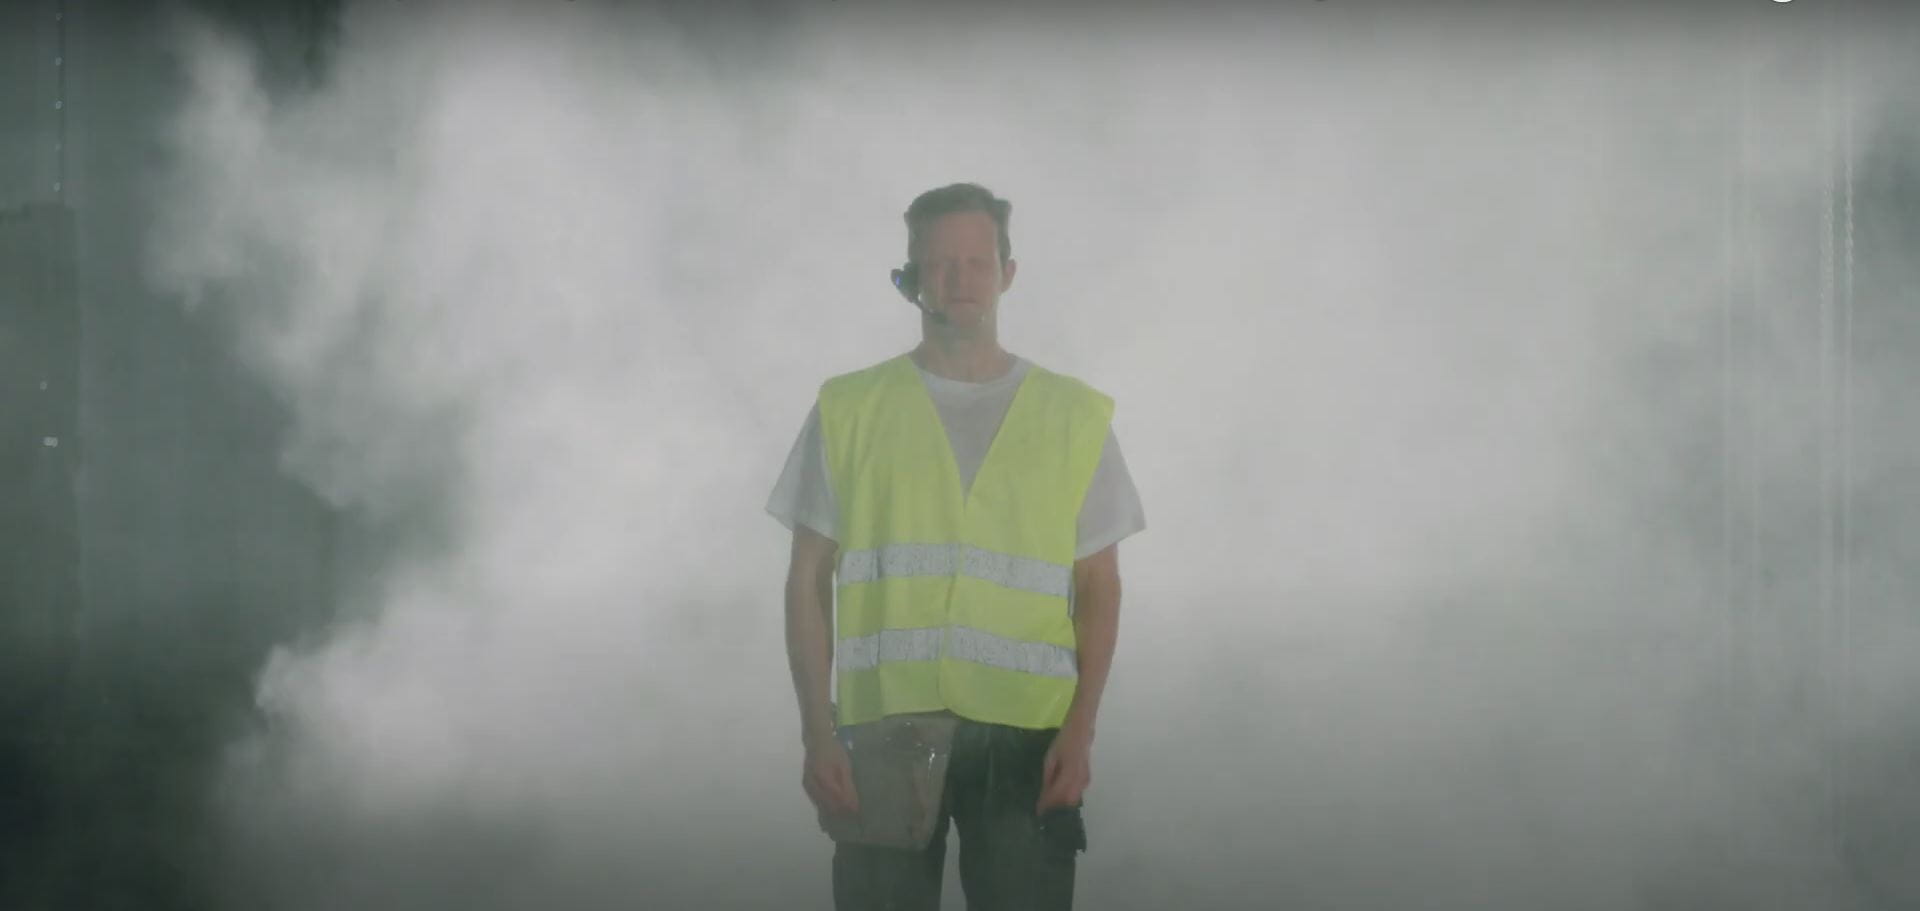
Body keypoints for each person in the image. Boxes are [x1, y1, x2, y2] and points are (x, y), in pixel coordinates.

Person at [766, 182, 1146, 910]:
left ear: (1008, 273)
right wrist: (817, 731)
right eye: (940, 263)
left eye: (977, 261)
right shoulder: (850, 408)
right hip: (882, 732)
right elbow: (807, 580)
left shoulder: (1072, 415)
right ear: (910, 277)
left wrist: (1081, 731)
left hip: (1029, 736)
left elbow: (1100, 587)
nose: (959, 278)